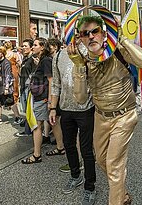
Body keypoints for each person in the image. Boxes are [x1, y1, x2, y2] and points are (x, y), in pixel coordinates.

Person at [68, 15, 142, 204]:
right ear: (80, 38)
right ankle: (122, 195)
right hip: (100, 117)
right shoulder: (81, 60)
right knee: (101, 160)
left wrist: (121, 38)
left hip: (124, 116)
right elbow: (80, 99)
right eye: (84, 33)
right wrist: (79, 66)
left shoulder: (118, 51)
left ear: (104, 33)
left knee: (113, 165)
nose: (90, 37)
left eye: (94, 31)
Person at [49, 46, 96, 204]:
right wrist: (53, 108)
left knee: (86, 149)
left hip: (86, 109)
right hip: (65, 109)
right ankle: (75, 176)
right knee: (69, 145)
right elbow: (56, 84)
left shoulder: (90, 51)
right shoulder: (58, 56)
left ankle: (90, 187)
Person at [21, 37, 64, 164]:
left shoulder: (45, 60)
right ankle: (60, 147)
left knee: (37, 126)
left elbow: (51, 81)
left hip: (43, 98)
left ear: (42, 47)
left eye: (35, 45)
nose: (32, 47)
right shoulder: (43, 60)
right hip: (43, 97)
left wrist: (51, 102)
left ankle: (36, 155)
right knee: (53, 122)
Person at [15, 39, 36, 137]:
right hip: (23, 86)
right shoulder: (25, 58)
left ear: (31, 47)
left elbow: (34, 74)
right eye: (22, 46)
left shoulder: (33, 59)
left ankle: (30, 131)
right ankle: (29, 130)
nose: (23, 48)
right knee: (25, 110)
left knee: (29, 110)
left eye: (25, 46)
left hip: (29, 87)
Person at [4, 41, 24, 125]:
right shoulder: (14, 54)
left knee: (7, 86)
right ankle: (14, 101)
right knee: (15, 87)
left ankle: (9, 102)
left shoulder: (4, 54)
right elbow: (19, 62)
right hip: (13, 70)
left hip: (6, 71)